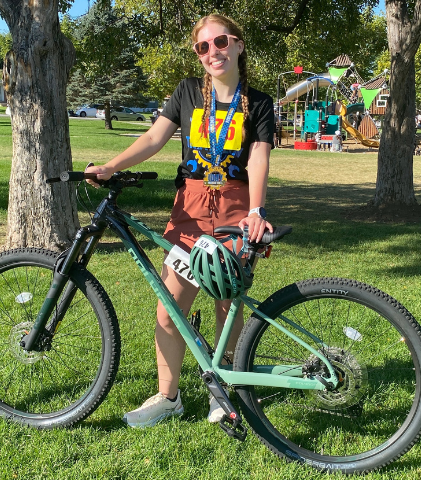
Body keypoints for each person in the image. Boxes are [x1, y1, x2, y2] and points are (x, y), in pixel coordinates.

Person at [85, 14, 274, 428]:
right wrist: (111, 166)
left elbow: (259, 156)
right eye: (202, 47)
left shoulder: (258, 102)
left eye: (220, 42)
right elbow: (155, 137)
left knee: (228, 302)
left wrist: (257, 210)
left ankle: (224, 390)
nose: (212, 52)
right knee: (170, 308)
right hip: (189, 209)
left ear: (239, 45)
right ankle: (168, 397)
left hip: (236, 208)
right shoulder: (187, 92)